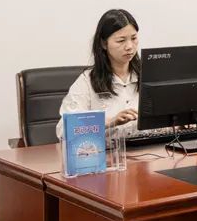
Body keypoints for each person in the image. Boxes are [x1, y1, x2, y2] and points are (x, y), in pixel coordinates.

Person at [56, 8, 141, 139]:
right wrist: (109, 122)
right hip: (107, 150)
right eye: (121, 40)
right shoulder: (87, 82)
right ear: (103, 43)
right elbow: (63, 130)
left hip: (150, 150)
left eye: (134, 38)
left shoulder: (148, 76)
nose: (129, 46)